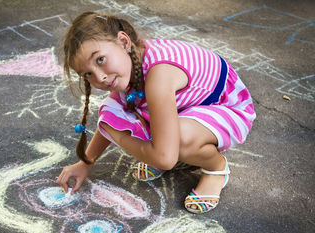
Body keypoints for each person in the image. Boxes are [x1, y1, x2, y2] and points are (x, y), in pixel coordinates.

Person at [56, 11, 256, 214]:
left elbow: (164, 159)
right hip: (187, 106)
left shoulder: (159, 75)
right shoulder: (129, 60)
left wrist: (119, 137)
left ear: (123, 42)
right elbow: (111, 118)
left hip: (227, 107)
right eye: (88, 74)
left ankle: (216, 168)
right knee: (113, 111)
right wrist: (85, 162)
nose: (100, 77)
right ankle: (164, 144)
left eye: (100, 60)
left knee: (181, 141)